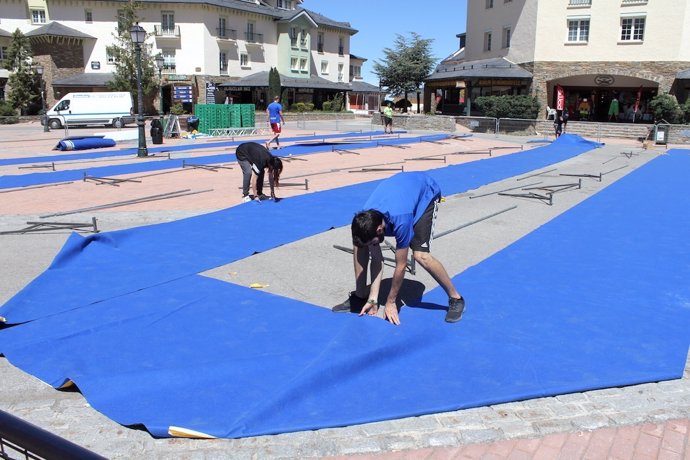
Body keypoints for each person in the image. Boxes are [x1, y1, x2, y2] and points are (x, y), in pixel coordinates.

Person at [332, 172, 465, 325]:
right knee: (360, 245)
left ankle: (456, 298)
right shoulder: (365, 219)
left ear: (380, 230)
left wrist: (390, 302)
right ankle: (360, 295)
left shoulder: (401, 220)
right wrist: (373, 299)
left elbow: (401, 266)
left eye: (373, 241)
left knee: (421, 255)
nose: (372, 245)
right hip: (400, 193)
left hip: (425, 193)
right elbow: (377, 259)